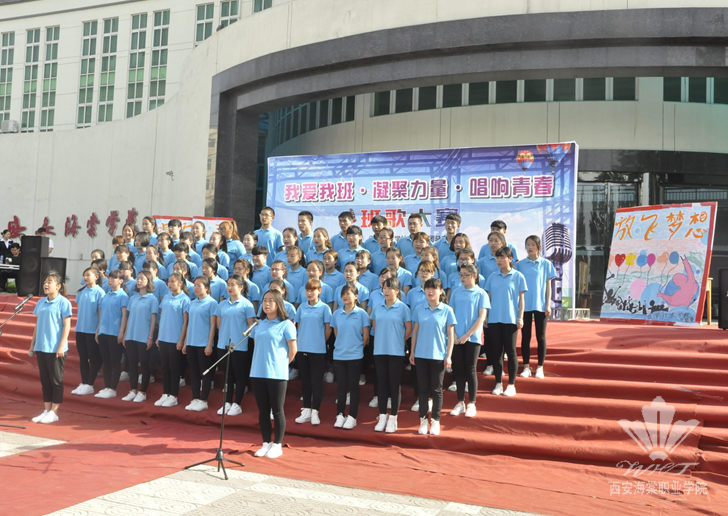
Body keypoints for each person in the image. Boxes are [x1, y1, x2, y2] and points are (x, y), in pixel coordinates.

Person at [250, 290, 297, 458]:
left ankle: (277, 444)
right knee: (263, 410)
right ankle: (265, 443)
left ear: (278, 304)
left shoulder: (286, 325)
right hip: (258, 372)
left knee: (277, 410)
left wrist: (281, 364)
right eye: (264, 300)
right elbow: (256, 344)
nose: (266, 303)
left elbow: (293, 350)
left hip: (276, 374)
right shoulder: (259, 324)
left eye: (271, 300)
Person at [410, 278, 455, 436]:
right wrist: (412, 352)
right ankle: (423, 420)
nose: (430, 291)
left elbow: (450, 335)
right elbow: (415, 332)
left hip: (438, 356)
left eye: (434, 288)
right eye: (427, 288)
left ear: (441, 291)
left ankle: (435, 420)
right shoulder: (419, 309)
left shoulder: (447, 310)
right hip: (421, 355)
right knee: (422, 389)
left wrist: (448, 356)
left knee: (436, 390)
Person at [29, 271, 72, 424]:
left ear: (58, 286)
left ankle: (54, 412)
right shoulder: (41, 302)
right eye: (45, 282)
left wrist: (61, 346)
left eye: (50, 282)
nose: (46, 285)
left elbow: (67, 326)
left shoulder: (64, 302)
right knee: (45, 380)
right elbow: (37, 325)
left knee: (56, 380)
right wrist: (33, 344)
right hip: (41, 346)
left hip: (55, 348)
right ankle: (46, 410)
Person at [370, 278, 411, 433]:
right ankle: (382, 416)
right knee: (381, 384)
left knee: (394, 385)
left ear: (397, 290)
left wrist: (398, 340)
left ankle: (393, 417)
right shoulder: (377, 307)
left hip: (396, 352)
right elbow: (375, 326)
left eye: (389, 288)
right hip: (380, 351)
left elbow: (408, 329)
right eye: (384, 288)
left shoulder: (403, 308)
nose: (386, 291)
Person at [484, 247, 527, 397]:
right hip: (494, 319)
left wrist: (520, 317)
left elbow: (521, 300)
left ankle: (511, 384)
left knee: (511, 351)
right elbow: (488, 298)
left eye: (502, 257)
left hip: (510, 319)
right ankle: (498, 383)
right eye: (497, 258)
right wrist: (486, 316)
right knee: (496, 352)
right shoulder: (492, 277)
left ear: (510, 259)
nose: (499, 260)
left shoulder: (518, 276)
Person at [448, 263, 489, 417]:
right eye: (461, 275)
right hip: (456, 337)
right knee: (458, 370)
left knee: (471, 369)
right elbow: (451, 314)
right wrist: (454, 334)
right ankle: (460, 402)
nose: (463, 278)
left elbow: (481, 317)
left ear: (474, 276)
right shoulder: (456, 292)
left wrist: (467, 335)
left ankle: (472, 403)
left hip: (473, 338)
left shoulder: (481, 293)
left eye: (466, 275)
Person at [330, 284, 370, 430]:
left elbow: (365, 337)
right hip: (339, 355)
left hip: (355, 355)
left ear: (356, 296)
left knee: (353, 386)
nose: (345, 296)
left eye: (348, 293)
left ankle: (352, 416)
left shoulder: (362, 314)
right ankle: (340, 414)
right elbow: (336, 334)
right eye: (343, 294)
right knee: (341, 387)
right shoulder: (336, 314)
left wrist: (356, 348)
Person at [516, 235, 556, 379]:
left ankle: (540, 367)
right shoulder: (520, 265)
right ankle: (526, 367)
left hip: (540, 304)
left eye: (533, 244)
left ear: (539, 247)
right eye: (528, 244)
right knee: (525, 336)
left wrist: (548, 304)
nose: (530, 247)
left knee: (541, 336)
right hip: (524, 305)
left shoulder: (546, 264)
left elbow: (548, 286)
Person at [216, 274, 256, 416]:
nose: (230, 287)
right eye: (228, 284)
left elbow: (251, 327)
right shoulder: (222, 304)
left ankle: (237, 403)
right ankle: (227, 402)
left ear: (241, 287)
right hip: (223, 345)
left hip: (239, 345)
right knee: (227, 376)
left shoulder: (247, 305)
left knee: (239, 376)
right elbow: (219, 324)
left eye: (233, 285)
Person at [293, 279, 332, 425]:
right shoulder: (301, 307)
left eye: (313, 290)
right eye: (307, 290)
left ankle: (315, 411)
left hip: (318, 350)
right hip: (302, 349)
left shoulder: (324, 308)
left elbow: (328, 329)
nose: (309, 293)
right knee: (305, 382)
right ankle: (306, 411)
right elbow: (298, 326)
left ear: (319, 291)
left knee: (316, 382)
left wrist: (319, 340)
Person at [120, 270, 159, 403]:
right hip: (131, 335)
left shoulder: (152, 299)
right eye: (138, 278)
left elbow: (153, 320)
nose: (139, 281)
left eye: (142, 278)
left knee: (144, 364)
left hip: (144, 337)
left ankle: (143, 392)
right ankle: (133, 390)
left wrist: (150, 337)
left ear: (148, 281)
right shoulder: (133, 298)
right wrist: (125, 334)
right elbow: (128, 317)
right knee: (132, 364)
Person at [183, 276, 218, 411]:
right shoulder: (191, 303)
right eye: (195, 285)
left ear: (207, 288)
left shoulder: (212, 303)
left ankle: (204, 400)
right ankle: (195, 398)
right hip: (191, 342)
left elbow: (213, 325)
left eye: (199, 285)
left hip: (204, 343)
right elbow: (189, 324)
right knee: (194, 373)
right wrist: (185, 342)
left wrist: (210, 344)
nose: (196, 288)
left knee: (205, 373)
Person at [155, 272, 190, 407]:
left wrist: (181, 339)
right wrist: (159, 336)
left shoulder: (185, 299)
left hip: (175, 339)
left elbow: (186, 321)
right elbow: (162, 317)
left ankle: (173, 395)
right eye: (169, 281)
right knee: (165, 367)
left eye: (173, 281)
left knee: (175, 368)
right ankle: (166, 393)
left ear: (180, 283)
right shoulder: (166, 297)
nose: (170, 284)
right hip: (164, 337)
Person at [95, 270, 129, 398]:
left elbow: (125, 315)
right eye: (109, 278)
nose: (110, 280)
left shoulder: (123, 296)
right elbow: (102, 314)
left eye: (114, 278)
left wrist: (121, 332)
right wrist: (98, 330)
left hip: (115, 333)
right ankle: (107, 387)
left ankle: (113, 389)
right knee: (106, 361)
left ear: (121, 281)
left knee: (115, 361)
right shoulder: (105, 295)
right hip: (103, 331)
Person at [71, 267, 106, 396]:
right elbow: (79, 311)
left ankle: (90, 384)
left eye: (88, 275)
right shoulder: (81, 292)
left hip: (92, 330)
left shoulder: (100, 292)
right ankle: (84, 382)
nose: (85, 278)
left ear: (96, 277)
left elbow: (101, 313)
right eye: (84, 275)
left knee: (93, 357)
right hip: (80, 329)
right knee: (83, 357)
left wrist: (98, 329)